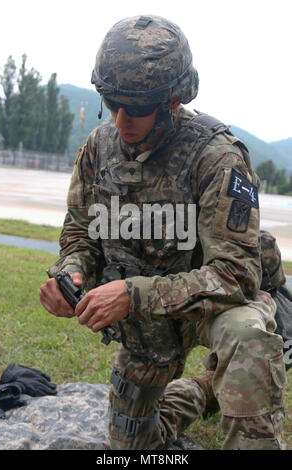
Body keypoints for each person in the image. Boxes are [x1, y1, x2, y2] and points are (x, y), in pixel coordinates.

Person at [39, 15, 287, 450]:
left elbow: (236, 274)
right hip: (149, 327)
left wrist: (132, 294)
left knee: (246, 337)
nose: (120, 121)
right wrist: (71, 273)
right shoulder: (98, 150)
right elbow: (80, 230)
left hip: (213, 309)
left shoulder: (217, 157)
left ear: (172, 101)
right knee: (133, 448)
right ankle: (205, 389)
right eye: (110, 102)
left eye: (134, 108)